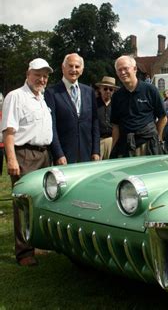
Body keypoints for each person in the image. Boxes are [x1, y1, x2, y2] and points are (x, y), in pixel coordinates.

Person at [1, 58, 53, 266]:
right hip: (24, 155)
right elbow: (8, 131)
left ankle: (36, 244)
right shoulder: (16, 96)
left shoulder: (41, 98)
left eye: (45, 76)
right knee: (23, 204)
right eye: (37, 74)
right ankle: (23, 252)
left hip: (43, 154)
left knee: (39, 203)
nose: (41, 79)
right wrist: (12, 159)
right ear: (28, 74)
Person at [45, 53, 100, 165]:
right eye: (70, 66)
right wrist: (58, 153)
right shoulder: (52, 92)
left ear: (82, 70)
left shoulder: (89, 92)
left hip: (87, 154)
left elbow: (95, 123)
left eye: (77, 67)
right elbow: (51, 126)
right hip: (64, 156)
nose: (73, 69)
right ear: (63, 67)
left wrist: (96, 150)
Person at [111, 55, 167, 157]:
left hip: (147, 145)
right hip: (125, 146)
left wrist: (157, 138)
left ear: (135, 69)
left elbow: (163, 117)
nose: (123, 72)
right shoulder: (116, 96)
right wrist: (113, 148)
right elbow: (116, 126)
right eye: (119, 70)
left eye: (125, 68)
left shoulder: (150, 90)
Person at [95, 76, 118, 160]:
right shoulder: (93, 104)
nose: (108, 91)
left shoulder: (117, 105)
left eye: (111, 89)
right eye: (105, 89)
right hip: (98, 142)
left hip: (113, 141)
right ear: (100, 89)